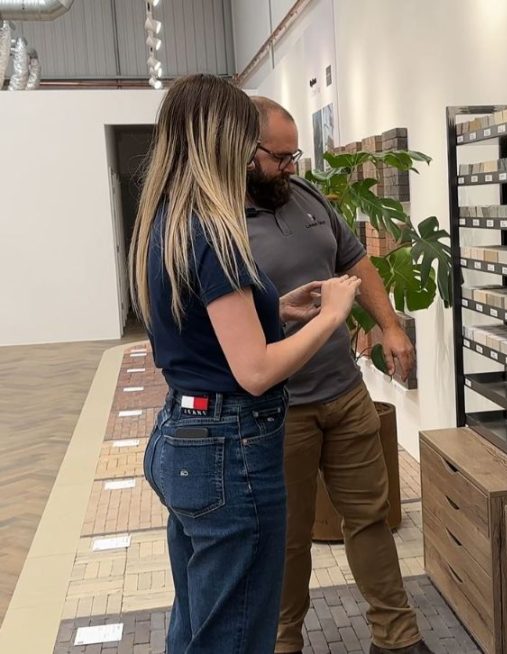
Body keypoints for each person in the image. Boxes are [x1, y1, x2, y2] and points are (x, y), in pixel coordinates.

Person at [129, 74, 362, 654]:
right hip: (229, 446)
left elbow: (202, 334)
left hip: (185, 434)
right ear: (224, 141)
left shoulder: (170, 222)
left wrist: (278, 309)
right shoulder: (216, 232)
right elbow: (254, 371)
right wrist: (333, 315)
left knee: (200, 624)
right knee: (234, 634)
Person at [246, 97, 431, 654]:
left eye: (294, 153)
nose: (291, 167)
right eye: (279, 157)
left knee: (370, 518)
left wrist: (390, 327)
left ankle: (396, 640)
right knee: (287, 538)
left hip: (344, 391)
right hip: (280, 408)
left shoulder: (305, 197)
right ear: (242, 151)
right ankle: (284, 643)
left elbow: (356, 261)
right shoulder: (219, 221)